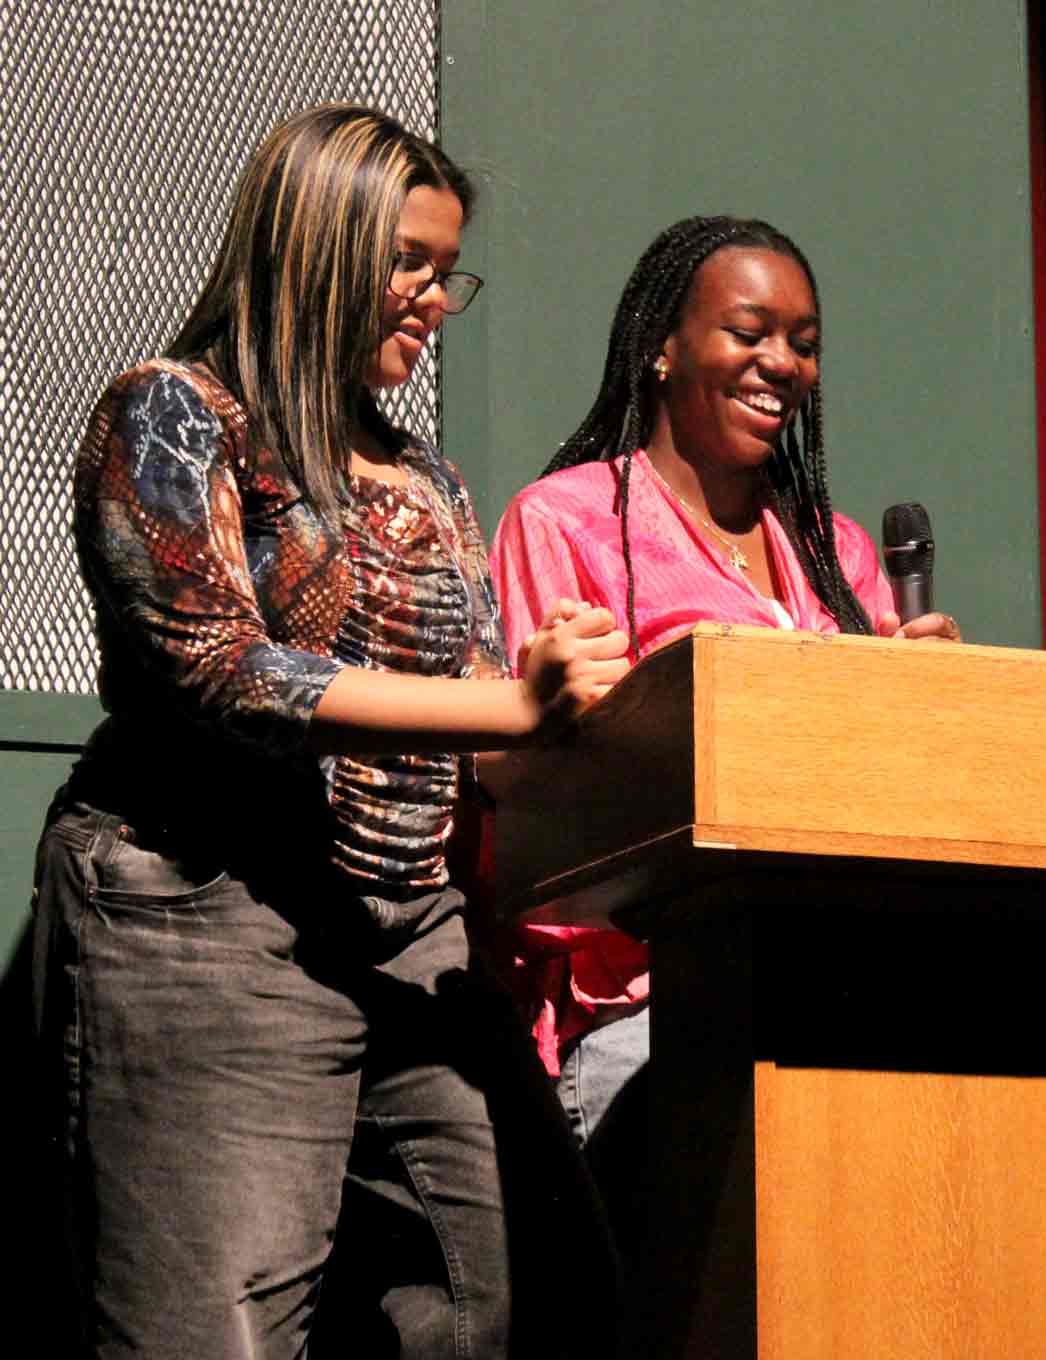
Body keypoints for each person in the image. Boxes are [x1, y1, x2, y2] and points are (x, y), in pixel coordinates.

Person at [31, 104, 630, 1360]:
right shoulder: (177, 411)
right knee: (214, 1329)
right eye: (408, 262)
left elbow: (478, 720)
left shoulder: (429, 480)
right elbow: (222, 667)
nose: (435, 298)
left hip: (409, 929)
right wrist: (508, 703)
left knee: (490, 1301)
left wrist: (584, 693)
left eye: (446, 270)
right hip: (211, 911)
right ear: (318, 244)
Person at [487, 212, 957, 1262]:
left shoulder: (836, 553)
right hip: (653, 1010)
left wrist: (931, 701)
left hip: (831, 995)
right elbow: (545, 798)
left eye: (803, 342)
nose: (781, 363)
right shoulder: (568, 521)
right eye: (749, 332)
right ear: (663, 345)